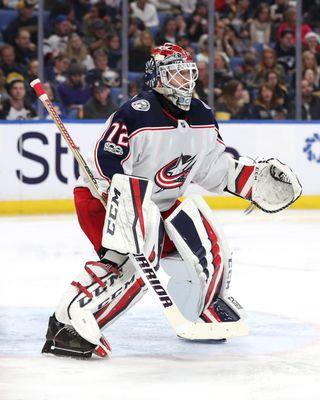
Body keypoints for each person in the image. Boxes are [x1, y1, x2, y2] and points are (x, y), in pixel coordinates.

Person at [41, 43, 301, 358]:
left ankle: (202, 307)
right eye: (176, 73)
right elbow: (106, 157)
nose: (185, 79)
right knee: (131, 266)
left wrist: (250, 180)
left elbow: (211, 167)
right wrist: (117, 192)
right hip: (111, 198)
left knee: (210, 244)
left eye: (188, 72)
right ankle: (69, 325)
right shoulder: (135, 113)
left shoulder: (202, 114)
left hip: (162, 203)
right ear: (157, 78)